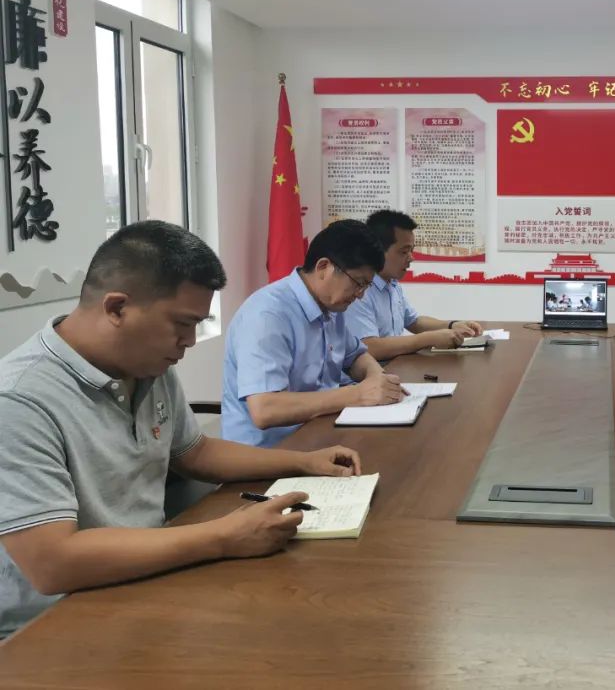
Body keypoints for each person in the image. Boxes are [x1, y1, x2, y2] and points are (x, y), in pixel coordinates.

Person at [0, 221, 364, 638]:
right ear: (116, 308)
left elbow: (195, 452)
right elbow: (52, 563)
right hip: (53, 623)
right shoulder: (19, 399)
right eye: (182, 324)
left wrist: (303, 462)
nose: (190, 341)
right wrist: (224, 536)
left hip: (146, 573)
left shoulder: (146, 365)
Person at [222, 219, 404, 448]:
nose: (360, 295)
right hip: (270, 452)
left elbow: (356, 356)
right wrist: (357, 395)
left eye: (366, 286)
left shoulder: (332, 306)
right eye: (358, 283)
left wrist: (377, 377)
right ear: (323, 267)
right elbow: (265, 409)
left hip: (319, 435)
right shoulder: (267, 315)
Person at [347, 210, 483, 359]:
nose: (411, 258)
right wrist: (428, 339)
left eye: (411, 250)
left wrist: (452, 325)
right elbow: (369, 347)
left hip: (396, 365)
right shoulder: (359, 291)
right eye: (404, 252)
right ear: (377, 251)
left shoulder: (393, 284)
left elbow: (414, 321)